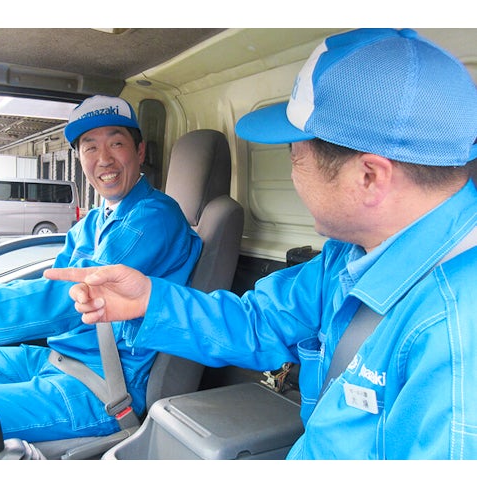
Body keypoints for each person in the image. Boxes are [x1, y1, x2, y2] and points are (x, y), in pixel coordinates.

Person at [44, 29, 477, 459]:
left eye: (295, 156)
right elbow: (258, 322)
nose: (292, 173)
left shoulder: (456, 339)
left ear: (369, 177)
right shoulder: (350, 256)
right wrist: (149, 300)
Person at [0, 95, 202, 459]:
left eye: (116, 143)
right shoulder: (92, 222)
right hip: (59, 359)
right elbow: (51, 284)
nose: (103, 158)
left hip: (103, 386)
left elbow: (77, 296)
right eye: (90, 147)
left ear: (140, 150)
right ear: (80, 158)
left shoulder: (154, 219)